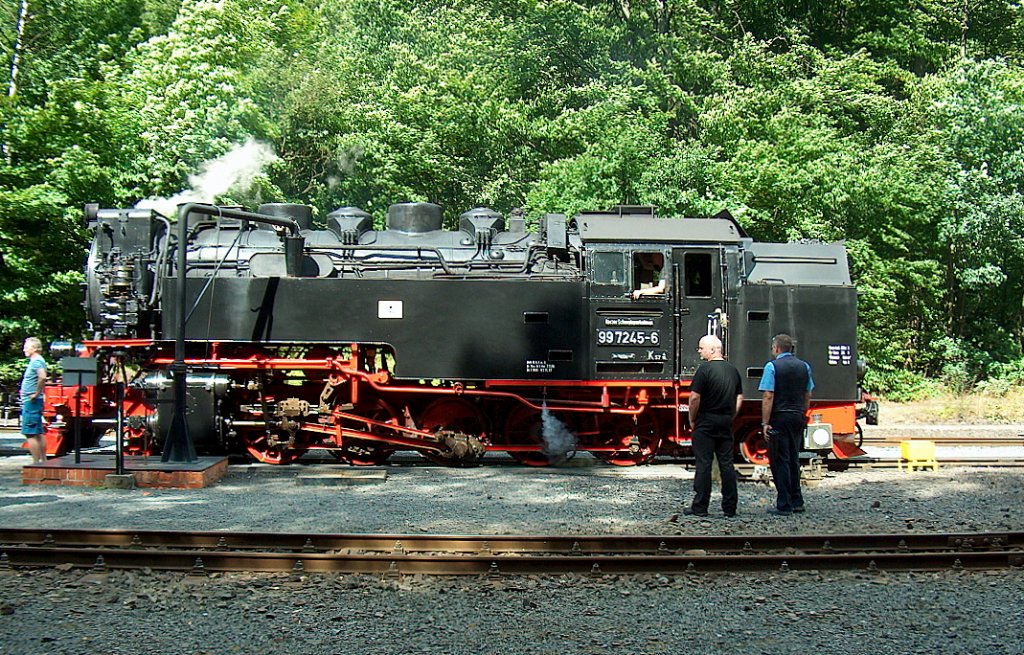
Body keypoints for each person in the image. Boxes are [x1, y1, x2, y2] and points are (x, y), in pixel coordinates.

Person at [685, 334, 743, 517]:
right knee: (727, 464)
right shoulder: (733, 370)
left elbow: (694, 397)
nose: (699, 351)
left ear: (712, 349)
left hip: (706, 421)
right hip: (725, 421)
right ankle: (730, 507)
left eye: (701, 348)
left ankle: (700, 507)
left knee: (704, 464)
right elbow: (739, 397)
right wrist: (731, 415)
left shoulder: (704, 370)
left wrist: (692, 419)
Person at [758, 333, 814, 516]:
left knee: (779, 460)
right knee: (793, 458)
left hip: (779, 417)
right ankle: (797, 500)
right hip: (797, 416)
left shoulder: (772, 366)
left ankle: (784, 504)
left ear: (776, 348)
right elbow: (808, 394)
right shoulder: (804, 367)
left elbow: (768, 395)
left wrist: (765, 422)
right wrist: (802, 413)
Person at [20, 337, 48, 464]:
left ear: (35, 348)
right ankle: (43, 460)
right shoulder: (37, 361)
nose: (24, 349)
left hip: (31, 401)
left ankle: (36, 462)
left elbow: (42, 377)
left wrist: (35, 394)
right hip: (32, 401)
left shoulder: (36, 361)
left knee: (30, 433)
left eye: (27, 347)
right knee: (37, 432)